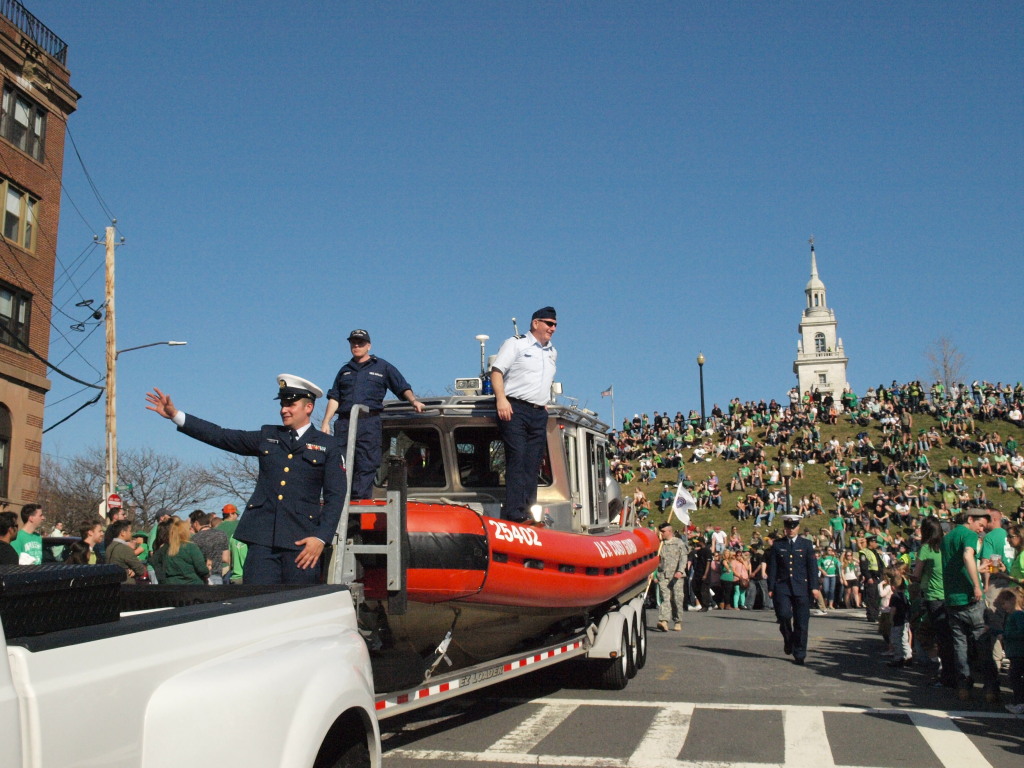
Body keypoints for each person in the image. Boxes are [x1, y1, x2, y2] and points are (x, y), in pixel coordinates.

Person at [146, 374, 346, 585]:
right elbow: (222, 436)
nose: (283, 409)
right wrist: (176, 415)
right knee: (256, 606)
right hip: (262, 542)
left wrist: (321, 538)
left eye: (290, 404)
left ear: (309, 407)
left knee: (298, 608)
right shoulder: (269, 435)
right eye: (282, 404)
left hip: (302, 544)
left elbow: (336, 496)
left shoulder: (328, 445)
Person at [319, 329, 424, 500]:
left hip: (369, 423)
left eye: (361, 343)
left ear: (369, 346)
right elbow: (334, 398)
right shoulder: (344, 370)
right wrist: (325, 422)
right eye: (354, 342)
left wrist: (413, 401)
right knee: (340, 464)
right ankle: (339, 503)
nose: (357, 346)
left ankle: (358, 504)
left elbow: (402, 386)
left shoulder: (382, 367)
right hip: (344, 424)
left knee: (366, 464)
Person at [489, 307, 558, 523]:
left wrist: (544, 402)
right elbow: (497, 371)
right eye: (549, 323)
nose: (553, 328)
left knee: (533, 462)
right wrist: (501, 399)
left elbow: (542, 380)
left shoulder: (552, 352)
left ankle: (529, 511)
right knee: (517, 458)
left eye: (555, 325)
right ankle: (514, 512)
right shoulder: (516, 343)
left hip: (538, 412)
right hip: (515, 409)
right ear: (535, 323)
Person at [941, 508, 999, 701]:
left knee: (960, 645)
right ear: (970, 519)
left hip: (951, 596)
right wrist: (977, 585)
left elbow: (960, 564)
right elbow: (967, 556)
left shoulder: (948, 538)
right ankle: (990, 688)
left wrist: (980, 567)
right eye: (980, 525)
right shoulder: (968, 535)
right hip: (969, 597)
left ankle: (963, 685)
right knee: (982, 642)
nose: (981, 530)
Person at [767, 514, 821, 665]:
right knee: (784, 615)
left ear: (798, 528)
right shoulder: (778, 545)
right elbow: (773, 568)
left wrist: (814, 587)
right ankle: (788, 638)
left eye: (793, 527)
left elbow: (812, 567)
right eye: (787, 528)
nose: (790, 530)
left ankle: (799, 652)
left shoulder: (806, 544)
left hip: (801, 586)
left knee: (802, 622)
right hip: (782, 585)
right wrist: (771, 586)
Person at [151, 518, 210, 585]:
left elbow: (154, 562)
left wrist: (162, 581)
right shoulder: (191, 547)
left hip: (170, 586)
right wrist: (208, 570)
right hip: (193, 586)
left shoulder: (164, 548)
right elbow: (202, 569)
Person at [993, 588, 1024, 714]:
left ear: (1012, 600)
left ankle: (1020, 703)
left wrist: (1005, 636)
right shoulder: (1016, 615)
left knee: (1015, 678)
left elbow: (1021, 632)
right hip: (1016, 653)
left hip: (1019, 653)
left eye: (1004, 603)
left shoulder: (1017, 615)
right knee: (1015, 677)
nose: (1003, 607)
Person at [656, 522, 687, 631]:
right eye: (660, 532)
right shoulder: (660, 544)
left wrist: (680, 571)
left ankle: (677, 620)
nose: (661, 533)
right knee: (665, 598)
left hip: (676, 576)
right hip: (663, 575)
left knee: (677, 599)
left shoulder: (678, 543)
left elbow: (683, 558)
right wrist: (654, 573)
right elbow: (656, 560)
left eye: (663, 531)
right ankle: (664, 621)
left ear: (669, 531)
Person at [190, 511, 229, 585]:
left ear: (196, 523)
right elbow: (225, 558)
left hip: (200, 577)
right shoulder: (221, 534)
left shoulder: (194, 539)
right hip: (217, 575)